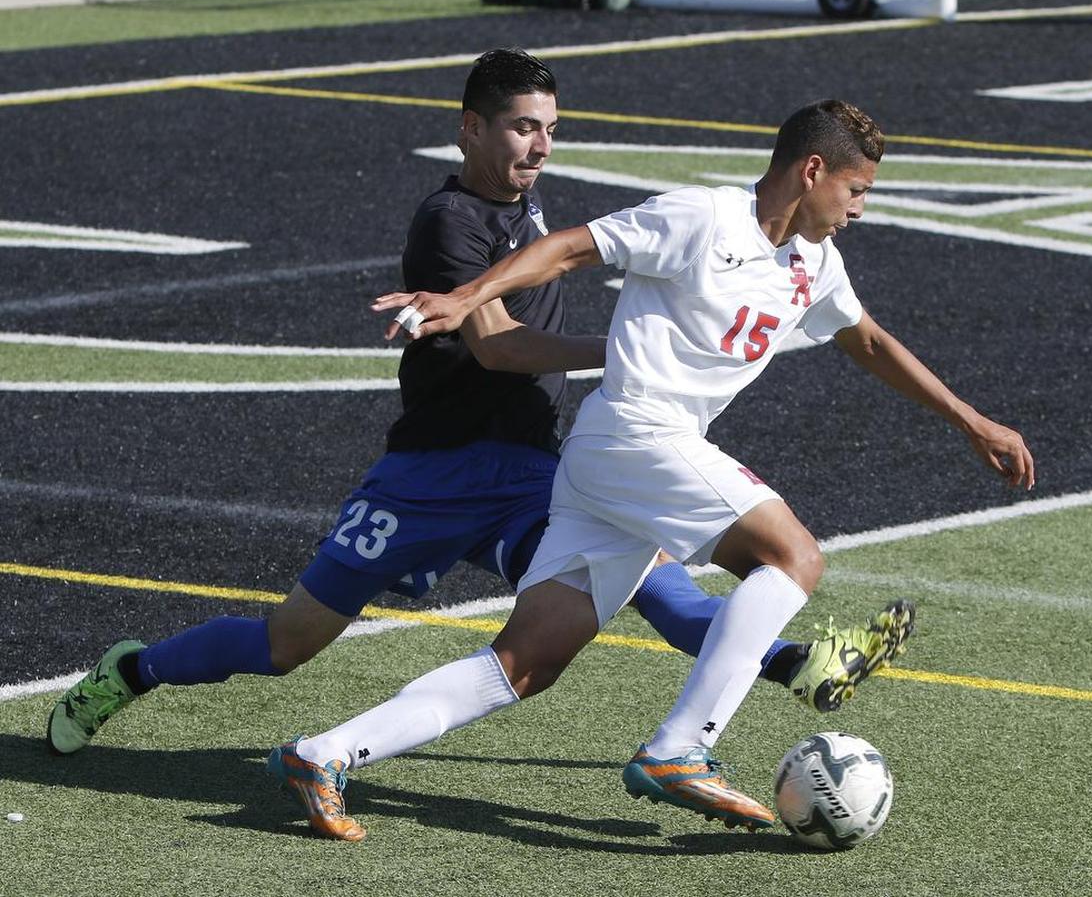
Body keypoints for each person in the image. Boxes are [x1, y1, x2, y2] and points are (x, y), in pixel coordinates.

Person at [46, 56, 907, 821]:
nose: (541, 146)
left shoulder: (529, 216)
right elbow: (500, 346)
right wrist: (642, 350)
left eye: (551, 130)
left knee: (644, 584)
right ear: (471, 129)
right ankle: (132, 671)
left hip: (529, 469)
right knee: (286, 644)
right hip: (430, 473)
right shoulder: (449, 223)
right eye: (523, 127)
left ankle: (779, 666)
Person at [260, 98, 1012, 843]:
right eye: (856, 191)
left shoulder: (815, 262)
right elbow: (567, 248)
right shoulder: (703, 217)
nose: (858, 210)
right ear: (813, 170)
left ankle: (321, 753)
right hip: (636, 432)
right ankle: (679, 748)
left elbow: (870, 341)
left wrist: (970, 420)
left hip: (611, 466)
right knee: (793, 555)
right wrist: (467, 296)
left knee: (523, 663)